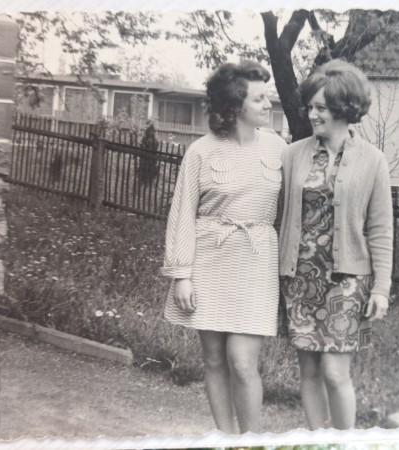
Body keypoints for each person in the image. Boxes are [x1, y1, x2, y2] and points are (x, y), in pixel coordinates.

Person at [160, 61, 286, 434]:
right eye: (259, 99)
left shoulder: (279, 148)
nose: (268, 105)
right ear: (235, 106)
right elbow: (182, 212)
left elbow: (293, 208)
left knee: (243, 362)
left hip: (257, 261)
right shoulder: (201, 151)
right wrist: (182, 275)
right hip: (210, 260)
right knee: (214, 359)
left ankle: (251, 440)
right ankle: (226, 438)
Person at [278, 59, 393, 430]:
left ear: (344, 109)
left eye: (321, 108)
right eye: (310, 107)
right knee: (309, 370)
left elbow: (381, 228)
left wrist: (381, 288)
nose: (312, 115)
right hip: (300, 277)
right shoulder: (293, 154)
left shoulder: (373, 161)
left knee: (334, 372)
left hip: (347, 280)